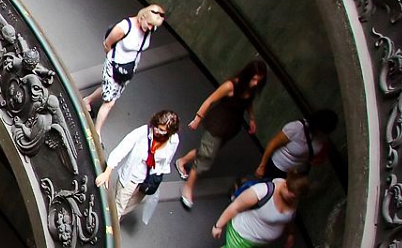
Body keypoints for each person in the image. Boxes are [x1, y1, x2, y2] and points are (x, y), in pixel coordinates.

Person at [176, 60, 268, 210]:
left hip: (230, 127)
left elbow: (248, 103)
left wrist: (251, 119)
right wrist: (197, 119)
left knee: (207, 151)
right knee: (206, 157)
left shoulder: (250, 90)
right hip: (217, 124)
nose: (256, 83)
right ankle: (188, 188)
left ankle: (182, 161)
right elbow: (210, 100)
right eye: (254, 79)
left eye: (259, 80)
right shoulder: (231, 86)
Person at [82, 4, 165, 133]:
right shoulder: (124, 27)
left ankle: (87, 100)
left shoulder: (150, 28)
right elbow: (107, 44)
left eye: (153, 26)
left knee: (110, 91)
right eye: (149, 24)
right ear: (142, 17)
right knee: (110, 102)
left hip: (128, 68)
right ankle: (96, 132)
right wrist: (114, 61)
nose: (151, 28)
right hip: (114, 66)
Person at [96, 109, 180, 224]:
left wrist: (157, 175)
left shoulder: (173, 140)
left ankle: (117, 217)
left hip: (149, 179)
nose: (157, 131)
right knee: (118, 206)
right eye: (157, 127)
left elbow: (166, 160)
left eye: (162, 130)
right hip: (131, 178)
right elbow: (122, 148)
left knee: (132, 203)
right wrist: (108, 171)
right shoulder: (142, 133)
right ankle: (111, 223)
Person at [256, 109, 338, 181]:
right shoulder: (296, 128)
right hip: (277, 166)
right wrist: (262, 166)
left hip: (293, 174)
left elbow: (315, 159)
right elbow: (273, 144)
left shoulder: (323, 140)